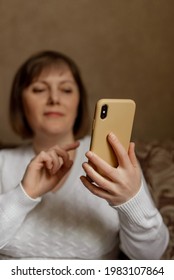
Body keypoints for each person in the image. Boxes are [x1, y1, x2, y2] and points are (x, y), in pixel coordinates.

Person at [0, 50, 169, 260]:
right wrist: (23, 195)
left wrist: (132, 201)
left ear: (79, 102)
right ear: (20, 102)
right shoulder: (3, 162)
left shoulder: (113, 158)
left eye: (66, 89)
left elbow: (150, 257)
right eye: (39, 89)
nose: (54, 98)